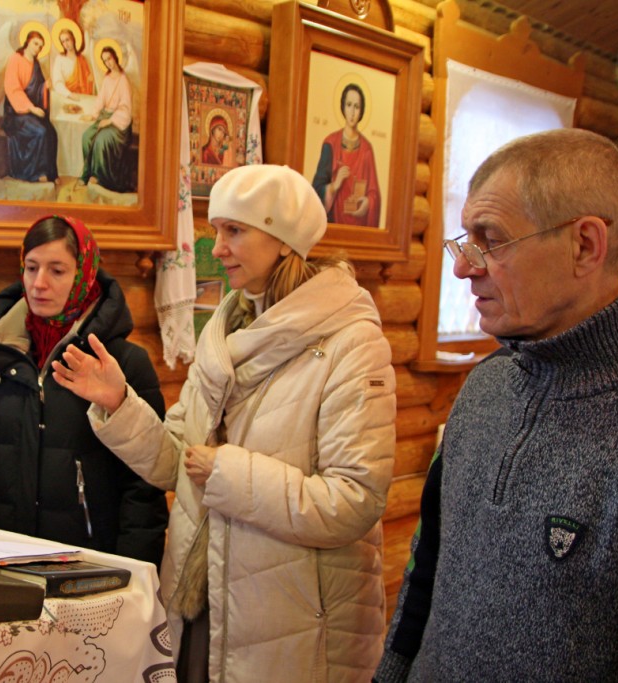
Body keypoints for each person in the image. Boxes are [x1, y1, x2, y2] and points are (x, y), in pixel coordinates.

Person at [54, 165, 396, 682]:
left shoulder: (351, 343)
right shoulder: (226, 330)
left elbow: (354, 501)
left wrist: (227, 475)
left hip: (290, 621)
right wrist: (120, 403)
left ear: (283, 240)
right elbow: (178, 463)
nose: (217, 249)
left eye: (234, 230)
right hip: (204, 603)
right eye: (216, 230)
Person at [376, 129, 618, 682]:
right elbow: (428, 562)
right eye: (466, 240)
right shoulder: (485, 385)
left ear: (585, 245)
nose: (463, 268)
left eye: (492, 240)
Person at [0, 215, 168, 567]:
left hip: (90, 562)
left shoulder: (123, 363)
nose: (39, 283)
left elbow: (142, 488)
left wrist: (135, 570)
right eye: (31, 267)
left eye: (57, 271)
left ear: (84, 275)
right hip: (1, 556)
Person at [312, 83, 381, 227]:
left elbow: (374, 193)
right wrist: (334, 186)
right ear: (343, 107)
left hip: (359, 227)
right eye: (349, 105)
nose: (352, 112)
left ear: (361, 111)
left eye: (357, 107)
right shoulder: (330, 144)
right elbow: (315, 190)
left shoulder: (367, 150)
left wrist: (367, 203)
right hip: (333, 223)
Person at [2, 30, 59, 183]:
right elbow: (13, 88)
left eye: (40, 46)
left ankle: (51, 173)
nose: (37, 48)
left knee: (51, 132)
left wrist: (45, 86)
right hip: (16, 112)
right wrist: (31, 108)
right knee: (41, 131)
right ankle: (35, 173)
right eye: (35, 44)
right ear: (27, 42)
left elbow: (38, 89)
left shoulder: (36, 64)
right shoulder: (15, 59)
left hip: (32, 111)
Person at [78, 45, 135, 192]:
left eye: (109, 59)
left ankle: (100, 176)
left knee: (101, 140)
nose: (108, 63)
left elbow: (126, 109)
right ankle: (88, 172)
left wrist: (109, 121)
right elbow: (101, 99)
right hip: (104, 117)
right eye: (105, 61)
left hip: (119, 123)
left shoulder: (123, 80)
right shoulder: (107, 78)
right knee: (86, 137)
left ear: (115, 57)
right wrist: (93, 114)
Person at [51, 27, 94, 99]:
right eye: (63, 42)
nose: (66, 44)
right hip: (66, 97)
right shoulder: (60, 59)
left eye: (67, 40)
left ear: (73, 39)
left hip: (83, 96)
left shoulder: (82, 59)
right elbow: (57, 82)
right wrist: (69, 94)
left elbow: (88, 80)